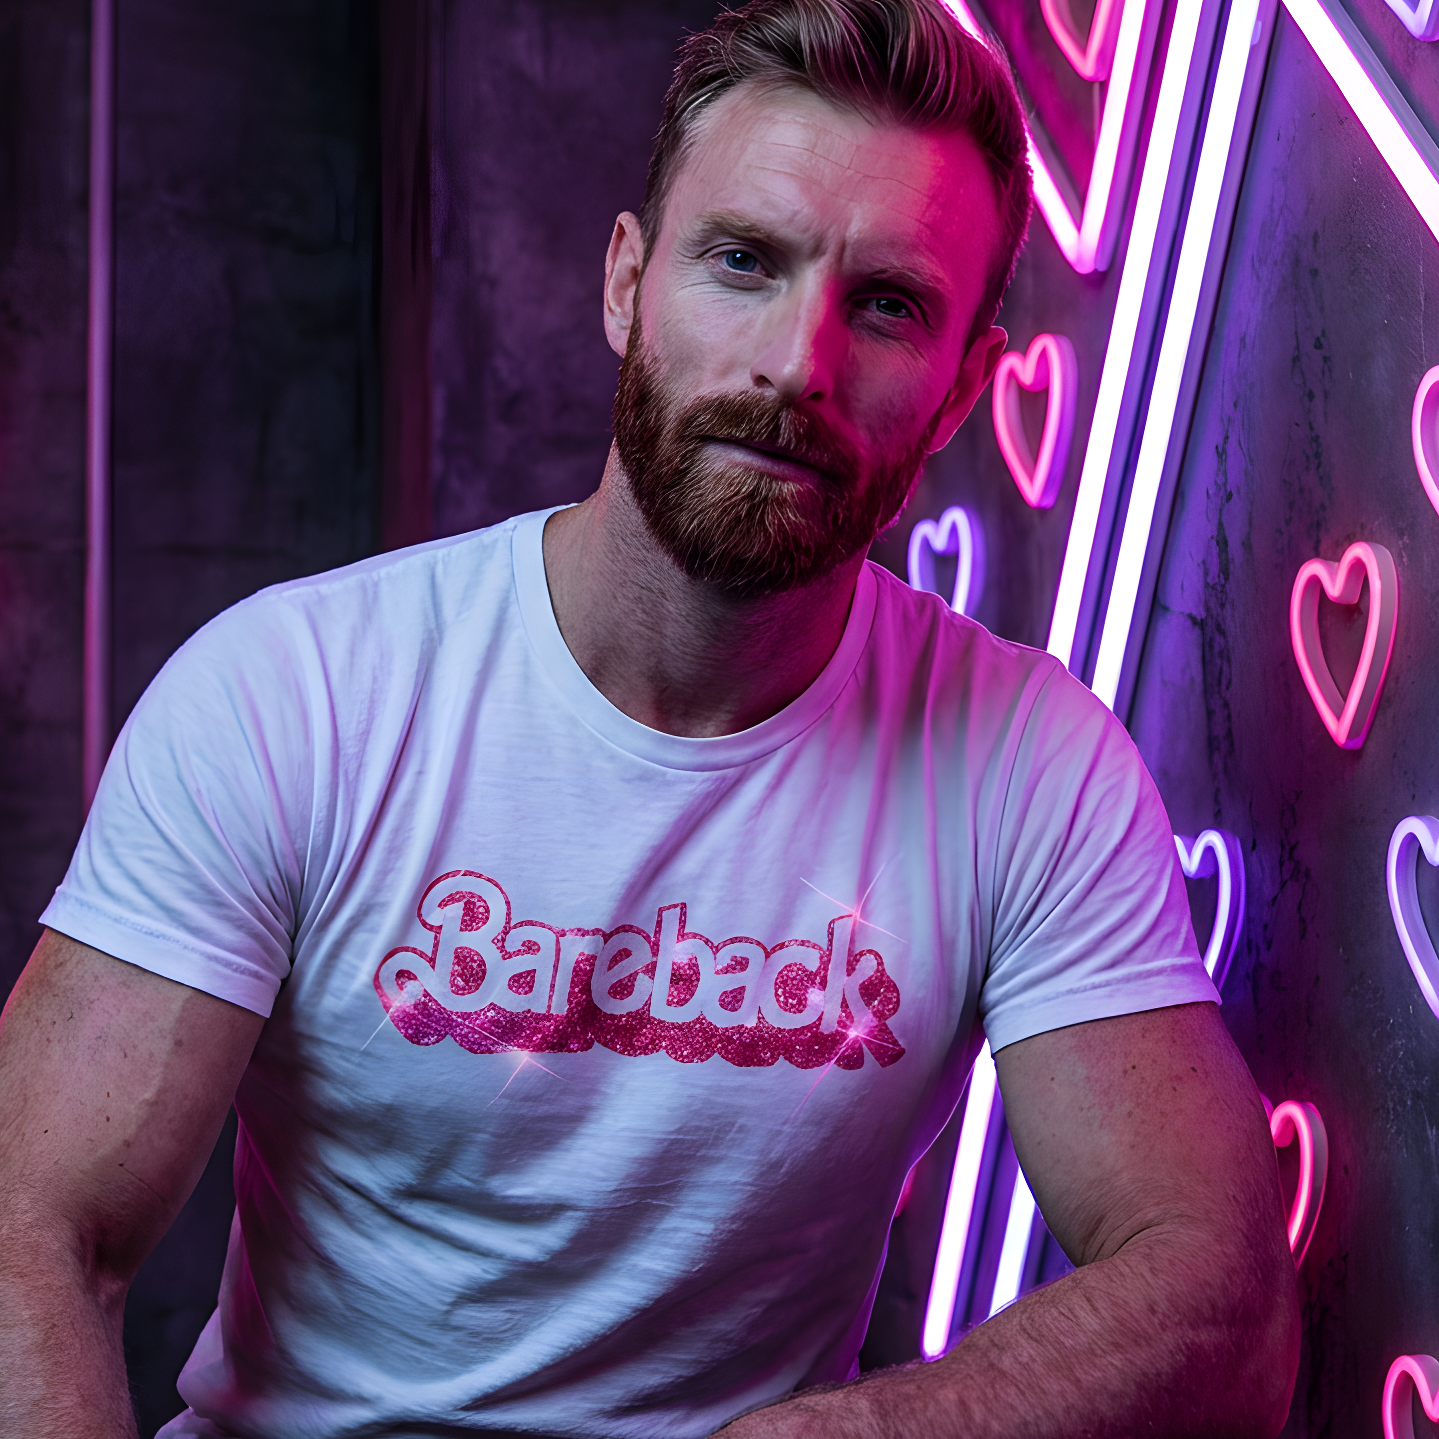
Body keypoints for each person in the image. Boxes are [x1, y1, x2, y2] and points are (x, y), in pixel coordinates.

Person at [0, 1, 1299, 1435]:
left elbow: (1220, 1302)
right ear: (627, 283)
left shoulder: (1026, 762)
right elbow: (31, 1219)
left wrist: (844, 1432)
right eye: (742, 262)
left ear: (961, 395)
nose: (796, 363)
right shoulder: (294, 692)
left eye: (887, 305)